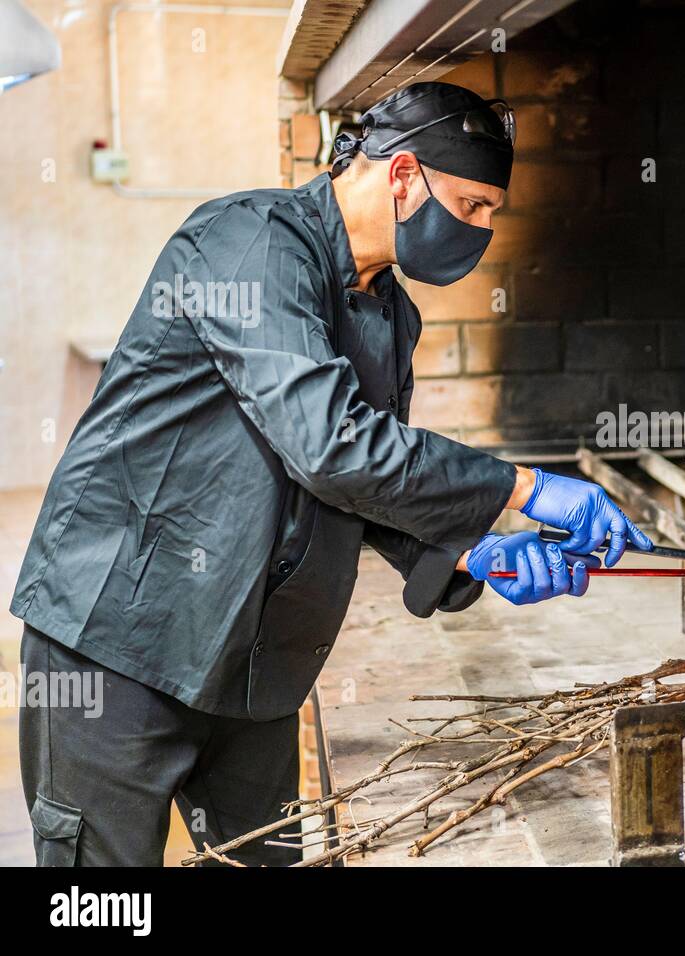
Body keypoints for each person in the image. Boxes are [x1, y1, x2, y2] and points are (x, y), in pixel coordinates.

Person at [10, 81, 652, 866]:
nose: (482, 229)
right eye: (474, 205)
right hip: (123, 643)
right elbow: (332, 444)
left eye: (491, 212)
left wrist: (465, 552)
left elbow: (361, 482)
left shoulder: (389, 313)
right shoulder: (249, 244)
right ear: (404, 175)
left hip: (254, 664)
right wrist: (523, 486)